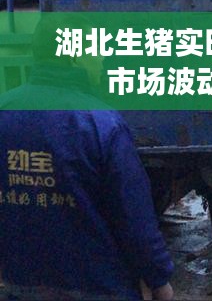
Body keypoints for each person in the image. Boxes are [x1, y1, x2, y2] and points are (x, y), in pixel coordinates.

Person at [0, 15, 174, 300]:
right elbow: (134, 221)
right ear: (75, 56)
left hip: (18, 287)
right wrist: (159, 280)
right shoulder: (100, 124)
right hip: (98, 288)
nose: (103, 59)